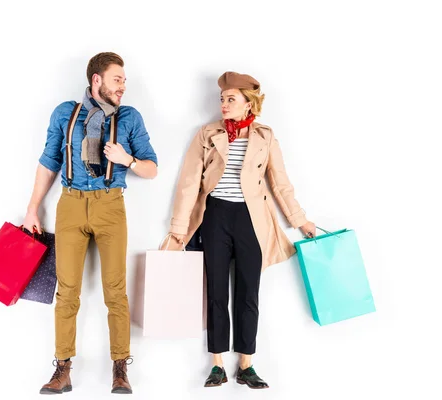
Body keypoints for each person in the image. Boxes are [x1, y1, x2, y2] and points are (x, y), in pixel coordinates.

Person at [165, 71, 316, 389]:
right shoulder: (208, 133)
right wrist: (179, 229)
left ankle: (246, 363)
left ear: (250, 104)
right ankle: (217, 363)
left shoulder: (265, 136)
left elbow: (280, 183)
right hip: (215, 217)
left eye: (231, 99)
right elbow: (189, 182)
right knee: (216, 291)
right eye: (222, 98)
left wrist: (300, 220)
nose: (223, 103)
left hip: (252, 220)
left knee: (249, 293)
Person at [23, 52, 158, 395]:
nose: (123, 86)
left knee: (116, 292)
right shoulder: (65, 113)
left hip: (111, 205)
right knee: (66, 291)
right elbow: (49, 160)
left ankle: (120, 369)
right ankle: (63, 369)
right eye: (118, 79)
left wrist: (126, 159)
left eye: (124, 80)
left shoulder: (129, 117)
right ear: (96, 80)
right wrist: (32, 208)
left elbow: (151, 168)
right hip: (70, 205)